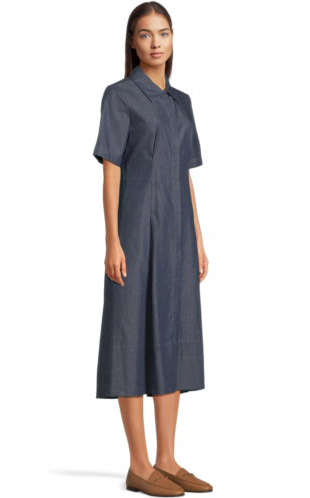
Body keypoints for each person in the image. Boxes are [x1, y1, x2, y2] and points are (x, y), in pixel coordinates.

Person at [93, 2, 213, 495]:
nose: (156, 42)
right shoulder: (119, 96)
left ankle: (167, 459)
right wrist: (112, 240)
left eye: (163, 33)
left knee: (173, 335)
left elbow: (184, 174)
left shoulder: (182, 102)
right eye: (145, 34)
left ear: (173, 39)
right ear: (132, 42)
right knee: (129, 333)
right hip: (136, 232)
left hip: (178, 235)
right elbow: (111, 170)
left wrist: (199, 239)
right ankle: (139, 466)